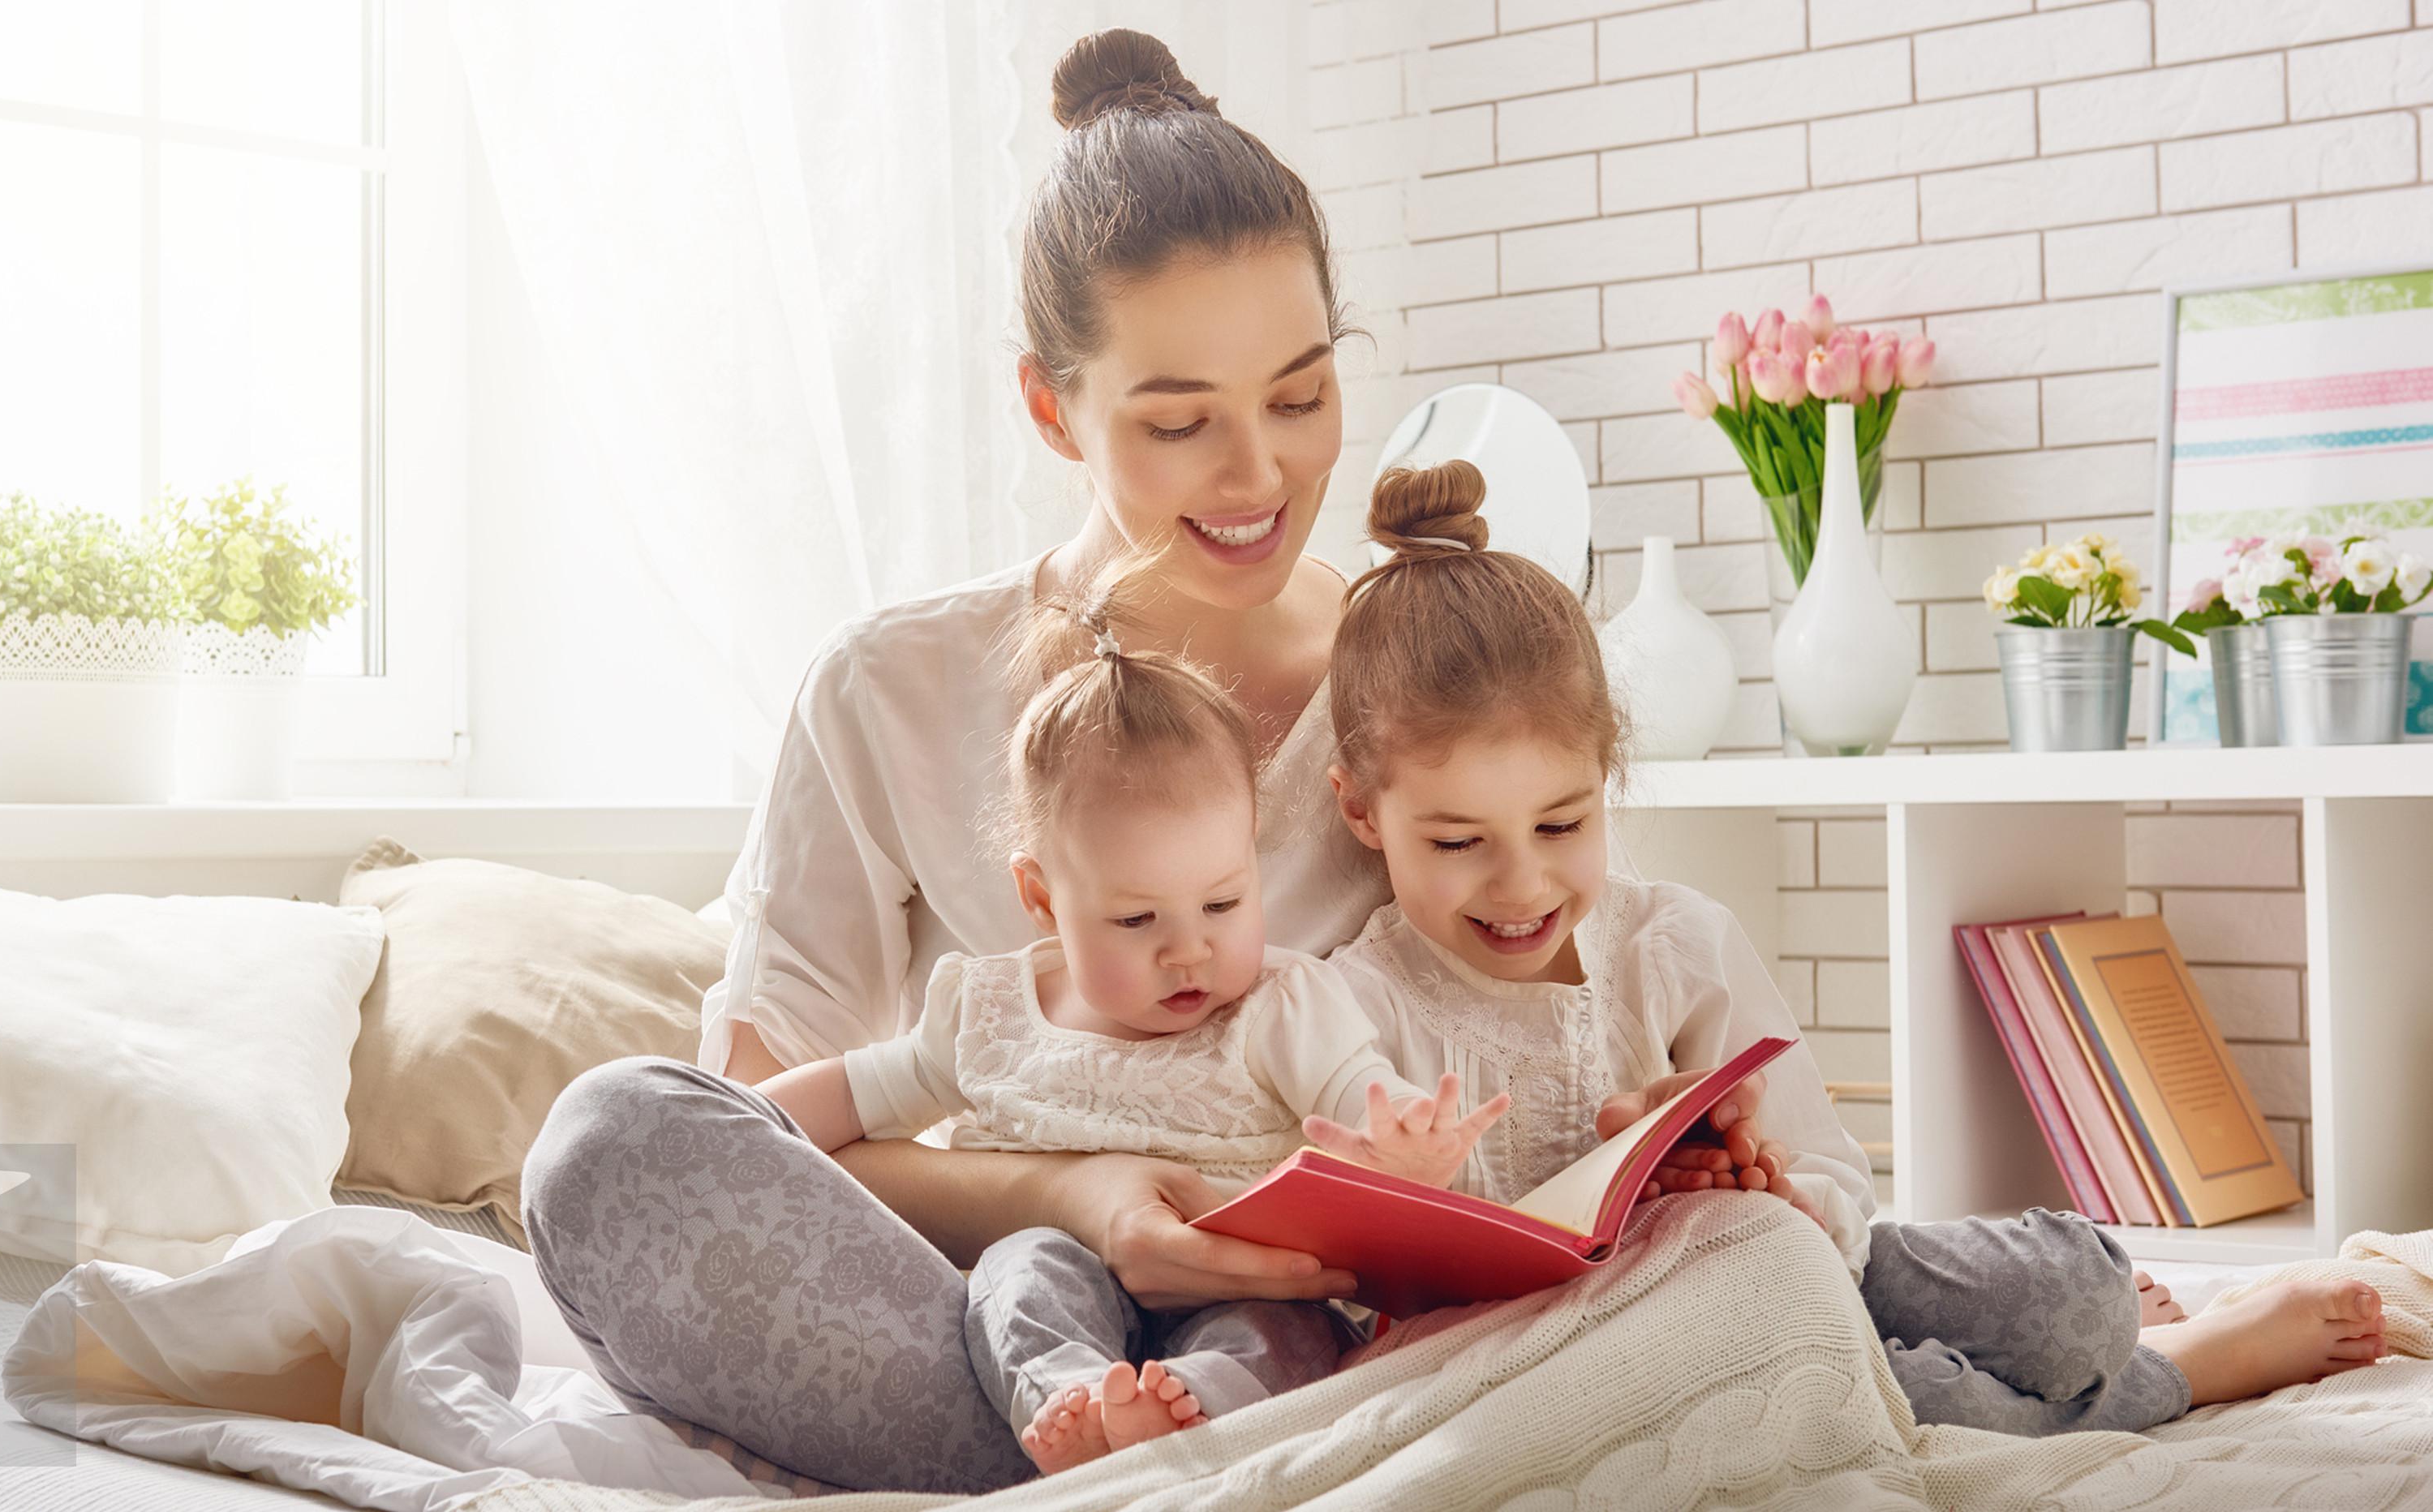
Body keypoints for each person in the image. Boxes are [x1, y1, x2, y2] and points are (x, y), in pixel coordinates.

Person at [518, 29, 1386, 1493]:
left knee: (1756, 1246)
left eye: (1299, 399)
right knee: (612, 1147)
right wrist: (1079, 1195)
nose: (1259, 479)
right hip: (1006, 1314)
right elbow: (758, 1140)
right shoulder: (890, 689)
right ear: (1051, 407)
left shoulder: (1420, 673)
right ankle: (1158, 1453)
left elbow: (1562, 1029)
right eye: (1178, 422)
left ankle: (1198, 1445)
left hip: (1359, 1326)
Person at [1318, 457, 2390, 1436]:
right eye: (1459, 842)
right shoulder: (1347, 1012)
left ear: (1608, 777)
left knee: (2074, 1294)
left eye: (1562, 825)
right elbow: (1365, 1322)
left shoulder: (1675, 944)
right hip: (1638, 1357)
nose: (1524, 884)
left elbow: (1837, 1196)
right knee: (1883, 1402)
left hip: (1796, 1269)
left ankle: (2123, 1330)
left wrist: (1762, 1189)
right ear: (1362, 811)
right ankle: (2190, 1366)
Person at [754, 571, 1506, 1474]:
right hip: (1067, 1275)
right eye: (1137, 920)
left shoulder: (1281, 1005)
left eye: (1223, 902)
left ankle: (1202, 1420)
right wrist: (744, 1125)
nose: (1189, 952)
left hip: (1243, 1287)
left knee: (1282, 1332)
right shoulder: (991, 1014)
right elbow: (853, 1092)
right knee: (1018, 1273)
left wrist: (1407, 1145)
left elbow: (1364, 1100)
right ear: (1041, 897)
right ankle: (1074, 1406)